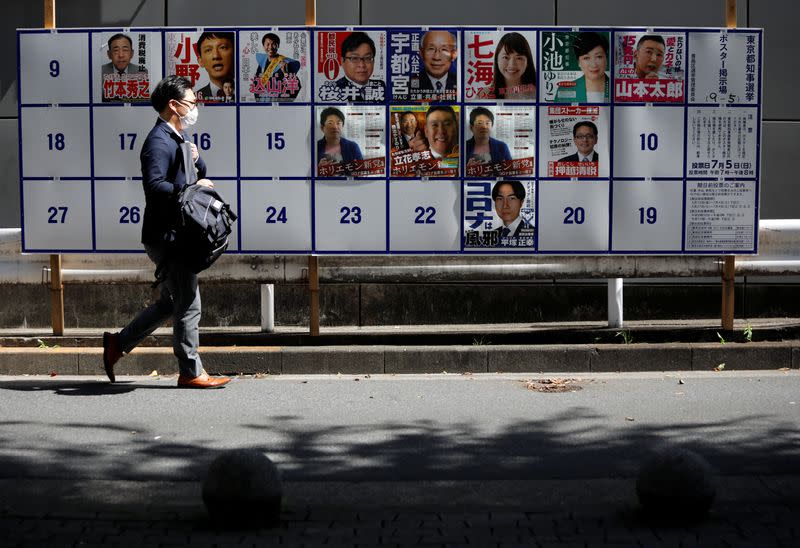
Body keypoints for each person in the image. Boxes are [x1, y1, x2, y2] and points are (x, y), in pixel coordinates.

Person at [102, 75, 230, 389]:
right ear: (173, 105)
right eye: (192, 102)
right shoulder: (158, 141)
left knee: (170, 302)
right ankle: (190, 371)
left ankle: (117, 344)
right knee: (189, 301)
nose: (195, 107)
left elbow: (198, 174)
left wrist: (198, 162)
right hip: (167, 236)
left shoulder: (178, 138)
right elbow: (155, 186)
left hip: (178, 232)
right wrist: (192, 187)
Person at [555, 32, 609, 103]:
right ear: (579, 62)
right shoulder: (565, 90)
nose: (593, 65)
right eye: (586, 58)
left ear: (606, 58)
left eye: (599, 57)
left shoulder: (619, 89)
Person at [333, 31, 386, 101]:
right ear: (342, 61)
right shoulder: (334, 90)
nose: (362, 65)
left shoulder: (381, 86)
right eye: (354, 58)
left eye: (367, 58)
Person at [254, 32, 301, 101]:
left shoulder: (285, 63)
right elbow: (256, 84)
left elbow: (295, 86)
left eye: (273, 44)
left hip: (277, 103)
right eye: (268, 44)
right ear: (263, 46)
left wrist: (286, 73)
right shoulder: (262, 63)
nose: (270, 47)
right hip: (263, 102)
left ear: (278, 46)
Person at [101, 33, 148, 102]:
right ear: (109, 54)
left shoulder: (141, 71)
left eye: (125, 50)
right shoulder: (100, 71)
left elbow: (143, 100)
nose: (121, 55)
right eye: (116, 50)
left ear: (131, 53)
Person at [316, 107, 363, 175]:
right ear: (322, 128)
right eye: (330, 123)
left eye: (338, 123)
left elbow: (363, 173)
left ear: (342, 126)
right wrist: (318, 170)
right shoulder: (315, 147)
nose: (335, 127)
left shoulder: (353, 147)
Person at [465, 107, 511, 173]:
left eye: (487, 123)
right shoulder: (463, 147)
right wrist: (466, 170)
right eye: (479, 123)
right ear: (471, 127)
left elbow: (511, 173)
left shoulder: (502, 146)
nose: (484, 127)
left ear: (492, 126)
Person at [492, 32, 536, 100]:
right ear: (497, 59)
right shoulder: (484, 94)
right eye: (505, 57)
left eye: (519, 58)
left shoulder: (539, 93)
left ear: (528, 62)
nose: (512, 64)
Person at [413, 30, 457, 96]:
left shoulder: (462, 84)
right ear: (421, 53)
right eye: (431, 49)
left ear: (454, 54)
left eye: (444, 49)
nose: (436, 57)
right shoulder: (407, 86)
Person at [194, 32, 235, 102]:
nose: (216, 56)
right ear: (200, 61)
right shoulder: (195, 97)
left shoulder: (249, 92)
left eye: (223, 47)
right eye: (208, 50)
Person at [492, 180, 533, 245]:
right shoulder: (491, 235)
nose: (505, 205)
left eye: (511, 198)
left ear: (521, 202)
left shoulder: (533, 234)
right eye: (500, 199)